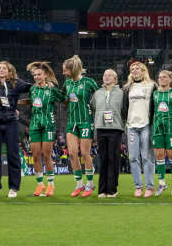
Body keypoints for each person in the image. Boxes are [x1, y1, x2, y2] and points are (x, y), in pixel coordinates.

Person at [0, 60, 30, 198]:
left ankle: (13, 187)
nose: (0, 70)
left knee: (13, 155)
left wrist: (44, 84)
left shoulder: (16, 83)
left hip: (11, 123)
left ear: (9, 70)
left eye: (3, 68)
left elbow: (32, 88)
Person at [26, 62, 65, 198]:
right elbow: (31, 102)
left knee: (46, 154)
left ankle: (50, 184)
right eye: (35, 75)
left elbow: (64, 98)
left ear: (45, 75)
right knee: (35, 155)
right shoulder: (32, 89)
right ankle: (40, 184)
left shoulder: (52, 89)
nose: (36, 77)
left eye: (39, 74)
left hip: (48, 125)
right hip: (35, 125)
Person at [63, 55, 97, 198]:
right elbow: (65, 100)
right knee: (71, 153)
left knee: (84, 153)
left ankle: (90, 183)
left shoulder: (89, 82)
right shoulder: (67, 84)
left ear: (73, 69)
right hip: (72, 122)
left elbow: (99, 99)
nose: (63, 73)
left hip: (85, 121)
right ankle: (79, 183)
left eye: (65, 70)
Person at [91, 69, 125, 198]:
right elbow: (94, 107)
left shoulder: (121, 93)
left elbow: (124, 109)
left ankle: (112, 189)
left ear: (115, 79)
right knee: (103, 158)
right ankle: (102, 190)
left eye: (110, 75)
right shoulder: (97, 93)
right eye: (104, 74)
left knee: (113, 158)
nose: (106, 77)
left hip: (115, 128)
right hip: (101, 128)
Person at [124, 61, 155, 197]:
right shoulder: (127, 88)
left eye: (137, 68)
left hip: (146, 125)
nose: (135, 70)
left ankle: (149, 186)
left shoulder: (151, 85)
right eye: (132, 69)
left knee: (147, 157)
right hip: (131, 126)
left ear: (143, 71)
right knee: (133, 157)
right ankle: (138, 186)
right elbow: (124, 107)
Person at [152, 70, 172, 195]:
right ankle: (162, 183)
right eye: (159, 77)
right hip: (157, 127)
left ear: (170, 79)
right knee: (159, 154)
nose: (161, 79)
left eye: (164, 77)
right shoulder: (154, 94)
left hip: (171, 127)